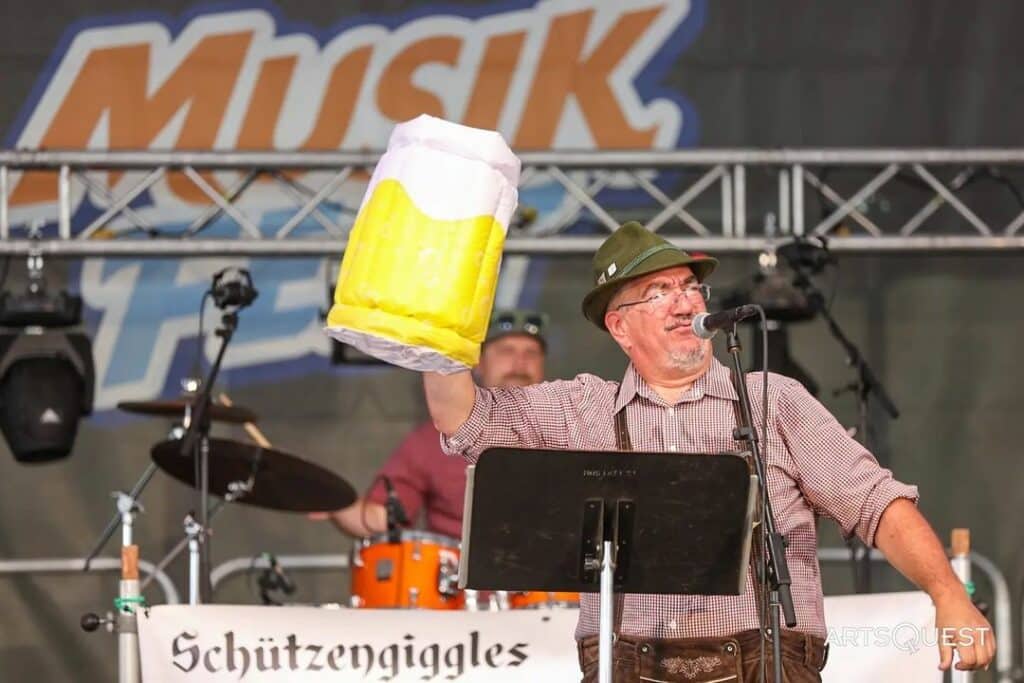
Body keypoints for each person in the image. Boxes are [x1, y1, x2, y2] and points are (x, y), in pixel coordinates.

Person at [423, 222, 995, 682]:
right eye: (659, 291)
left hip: (762, 665)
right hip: (625, 667)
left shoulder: (775, 400)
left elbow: (876, 503)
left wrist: (949, 597)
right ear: (620, 328)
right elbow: (465, 418)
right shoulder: (582, 409)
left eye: (690, 286)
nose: (682, 301)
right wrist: (434, 335)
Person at [319, 309, 547, 538]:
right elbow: (383, 519)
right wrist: (329, 501)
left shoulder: (569, 427)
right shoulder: (434, 439)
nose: (520, 363)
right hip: (461, 569)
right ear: (478, 363)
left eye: (531, 353)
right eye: (506, 351)